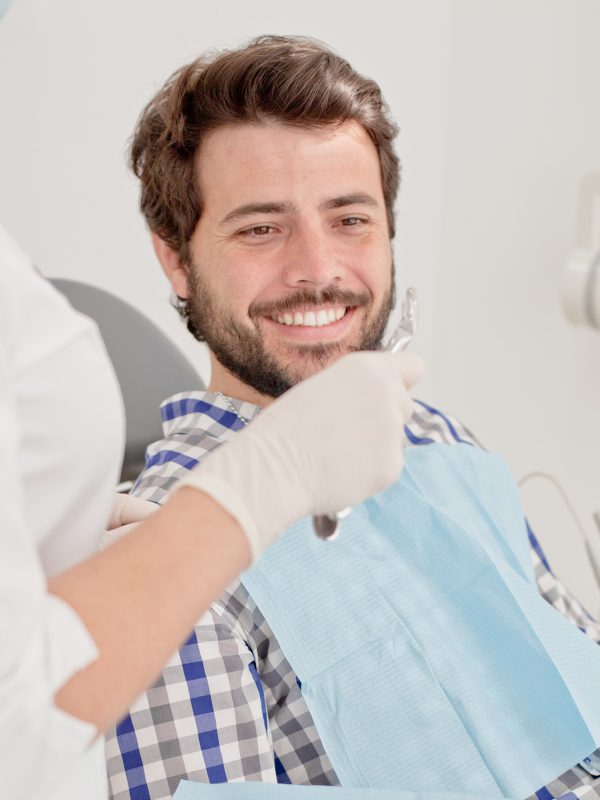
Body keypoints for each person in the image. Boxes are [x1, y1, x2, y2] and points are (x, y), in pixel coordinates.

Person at [104, 35, 600, 800]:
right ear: (176, 257)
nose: (319, 270)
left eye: (350, 219)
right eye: (261, 228)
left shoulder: (438, 439)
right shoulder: (160, 552)